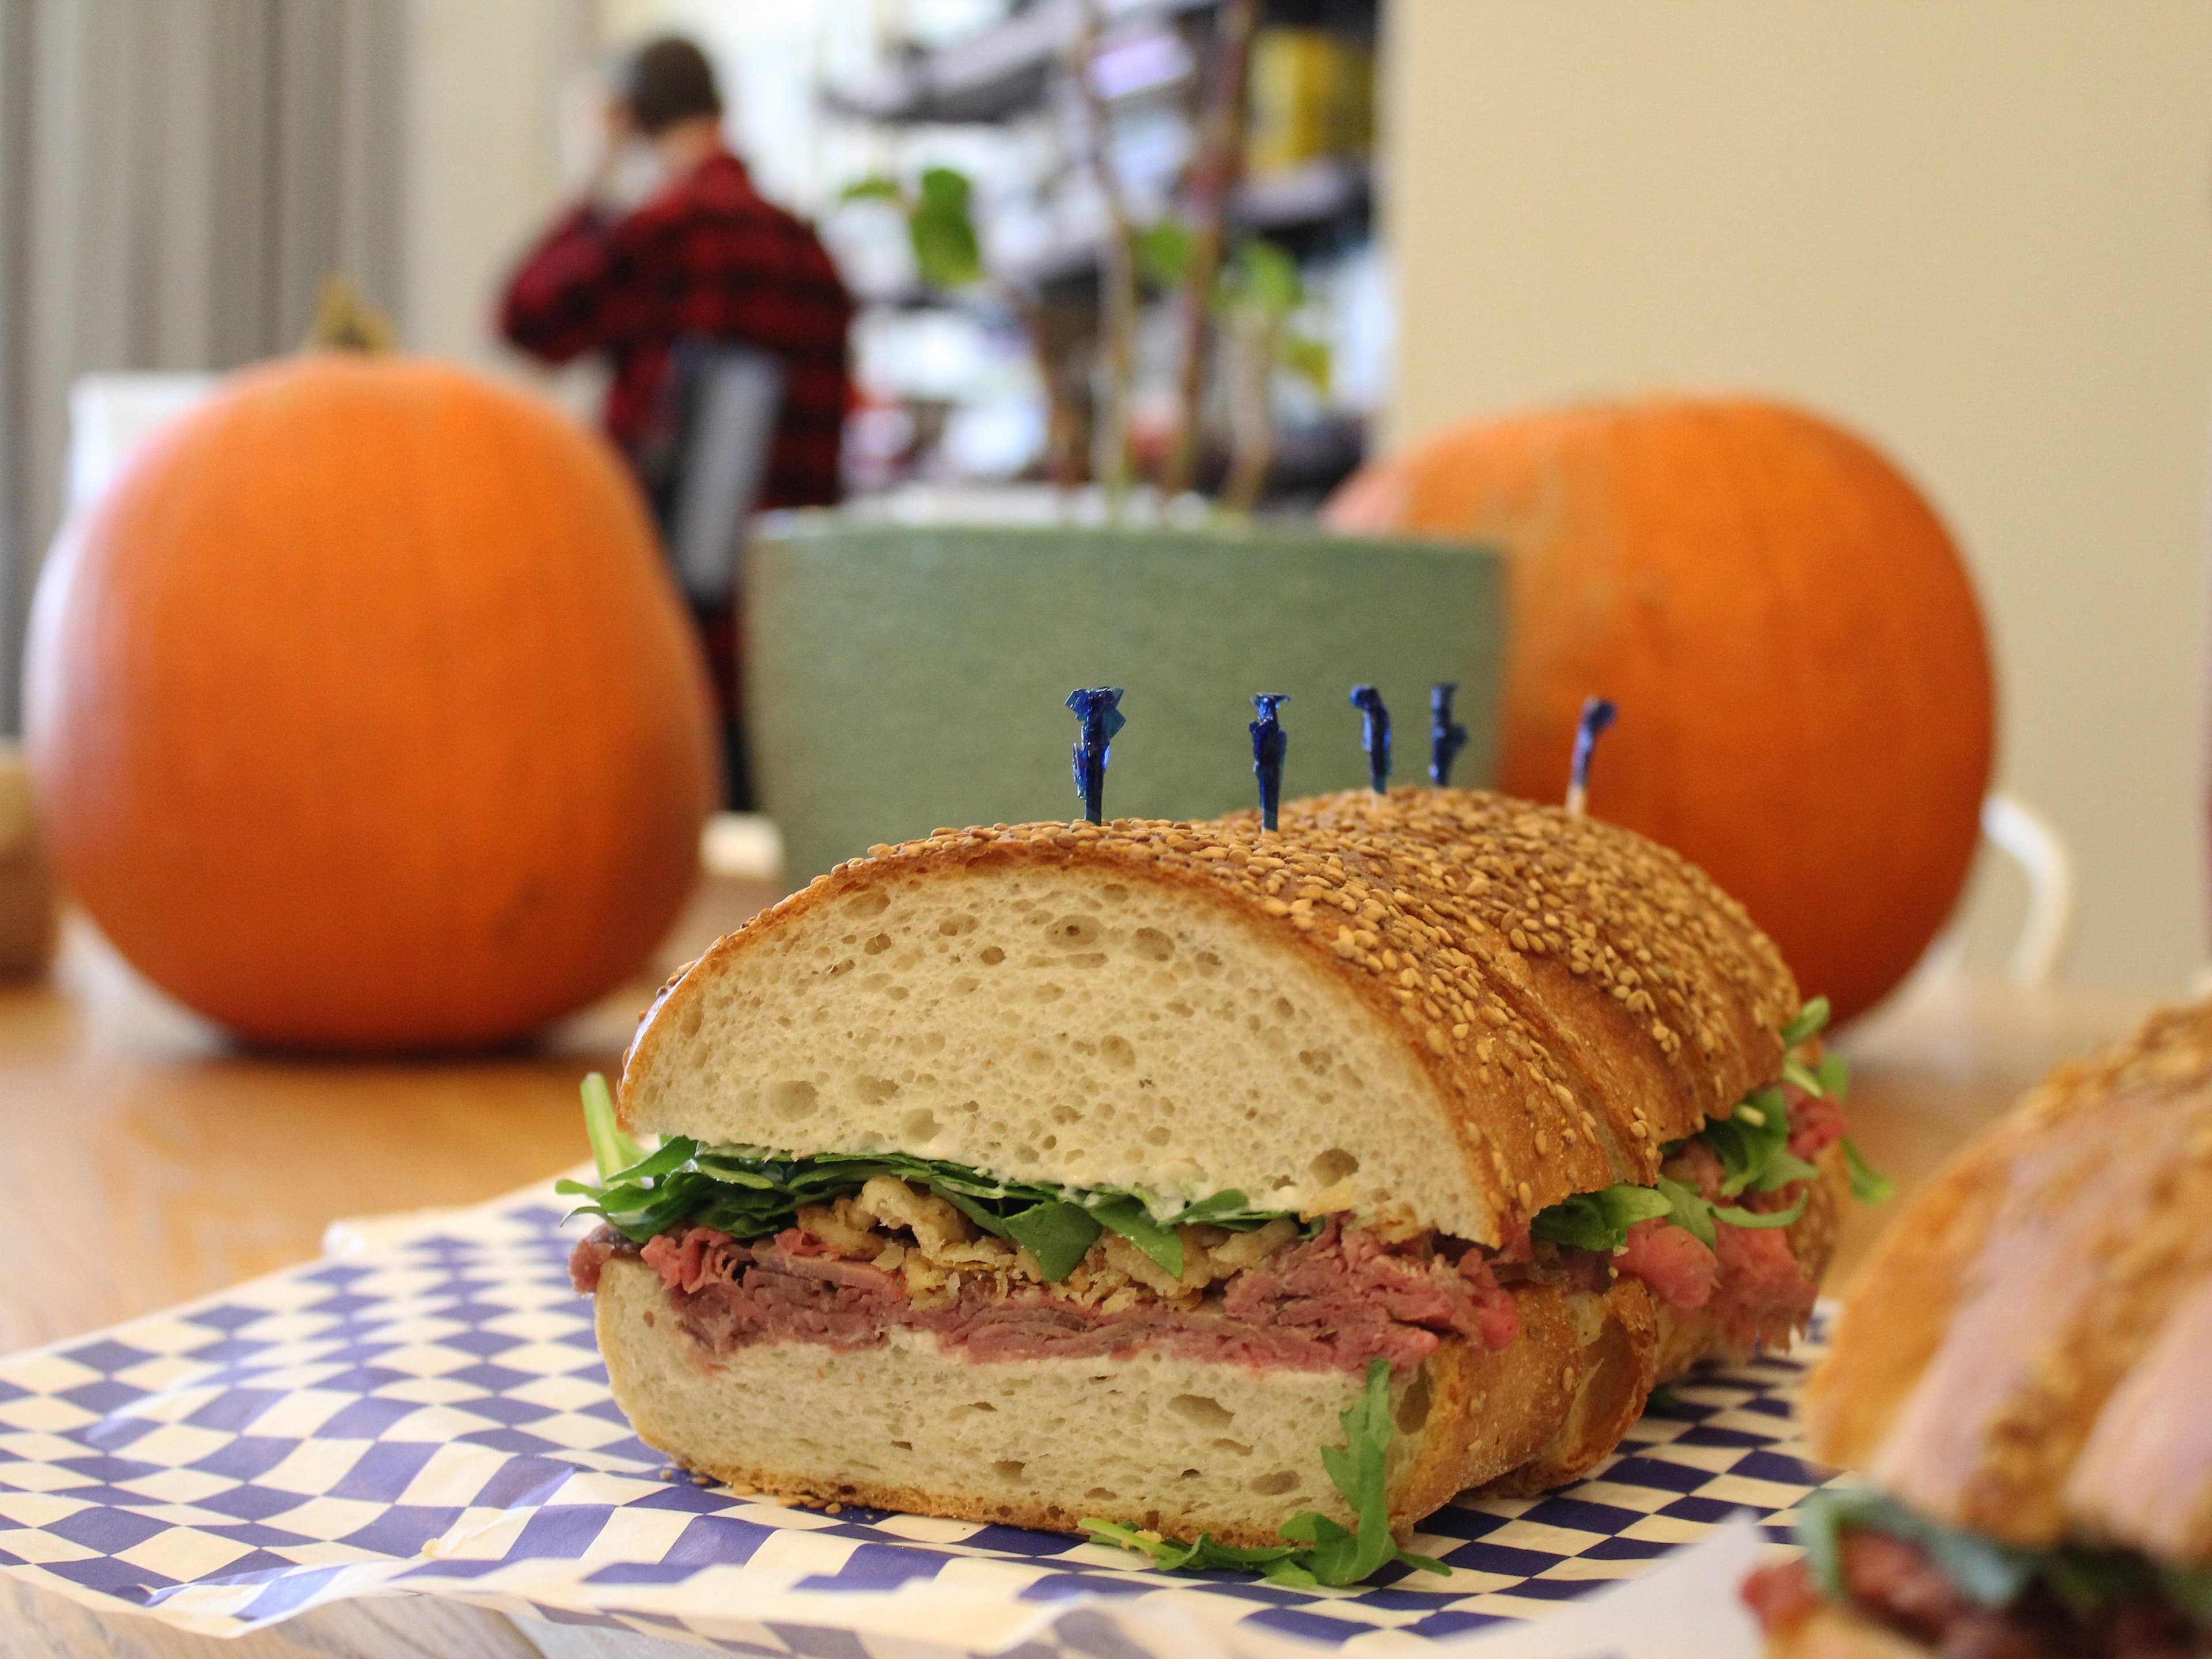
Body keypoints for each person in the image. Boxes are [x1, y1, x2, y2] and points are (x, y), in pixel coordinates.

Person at [500, 36, 853, 810]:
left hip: (666, 622)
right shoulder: (811, 253)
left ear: (631, 116)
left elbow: (526, 317)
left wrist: (593, 175)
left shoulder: (667, 231)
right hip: (788, 633)